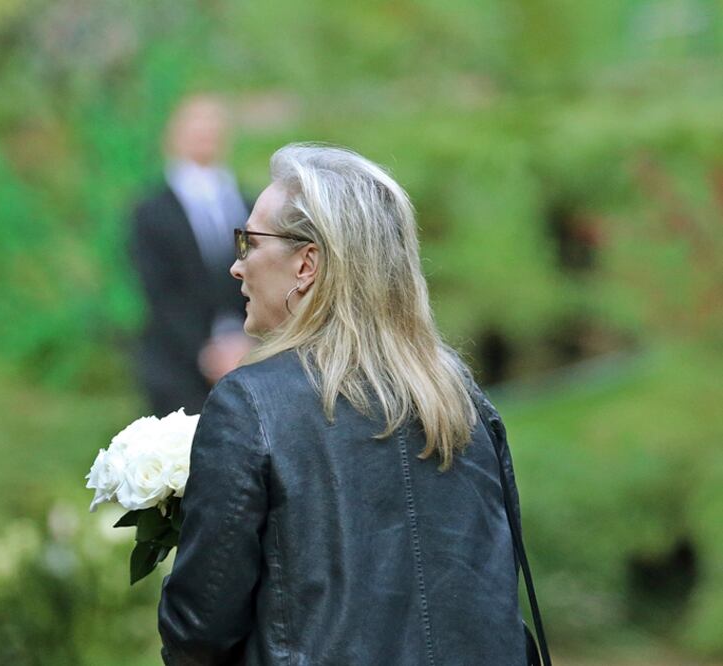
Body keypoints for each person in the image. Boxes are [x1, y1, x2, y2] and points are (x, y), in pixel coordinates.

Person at [158, 144, 530, 664]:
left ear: (307, 263)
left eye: (248, 242)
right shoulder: (462, 400)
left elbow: (197, 631)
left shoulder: (251, 406)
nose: (236, 267)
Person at [129, 95, 253, 417]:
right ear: (174, 137)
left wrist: (245, 341)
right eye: (196, 131)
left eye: (212, 131)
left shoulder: (247, 205)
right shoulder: (151, 212)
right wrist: (205, 351)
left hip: (247, 356)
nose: (205, 139)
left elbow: (253, 267)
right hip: (179, 364)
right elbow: (160, 290)